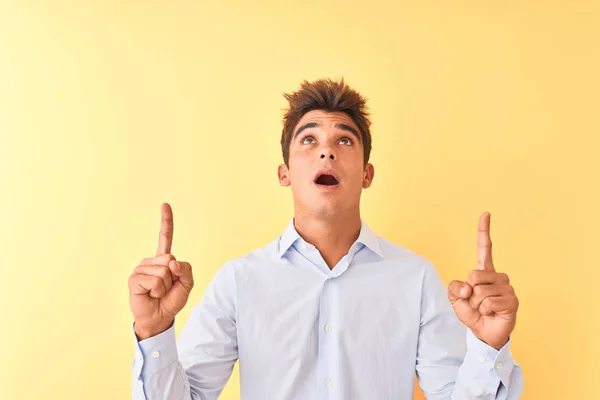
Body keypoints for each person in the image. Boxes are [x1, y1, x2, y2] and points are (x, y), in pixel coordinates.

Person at [129, 78, 524, 399]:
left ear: (367, 175)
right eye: (309, 140)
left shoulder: (415, 278)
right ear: (284, 173)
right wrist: (154, 332)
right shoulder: (239, 281)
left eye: (344, 140)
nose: (327, 153)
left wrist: (489, 347)